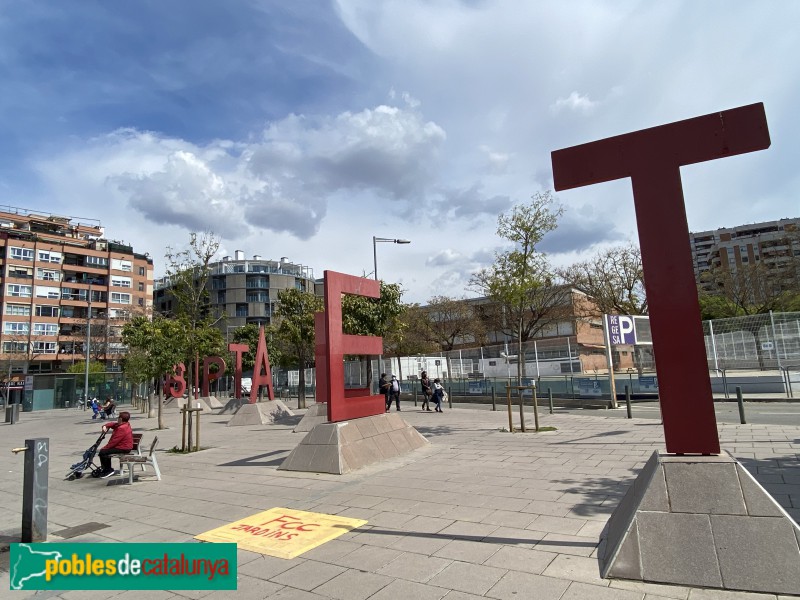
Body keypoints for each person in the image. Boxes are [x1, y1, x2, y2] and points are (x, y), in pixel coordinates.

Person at [98, 411, 133, 478]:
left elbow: (114, 441)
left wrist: (105, 448)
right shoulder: (124, 424)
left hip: (124, 448)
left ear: (121, 419)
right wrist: (105, 426)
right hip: (123, 446)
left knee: (103, 452)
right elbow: (113, 424)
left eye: (119, 417)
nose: (117, 418)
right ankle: (106, 469)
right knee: (104, 451)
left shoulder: (122, 428)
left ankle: (108, 470)